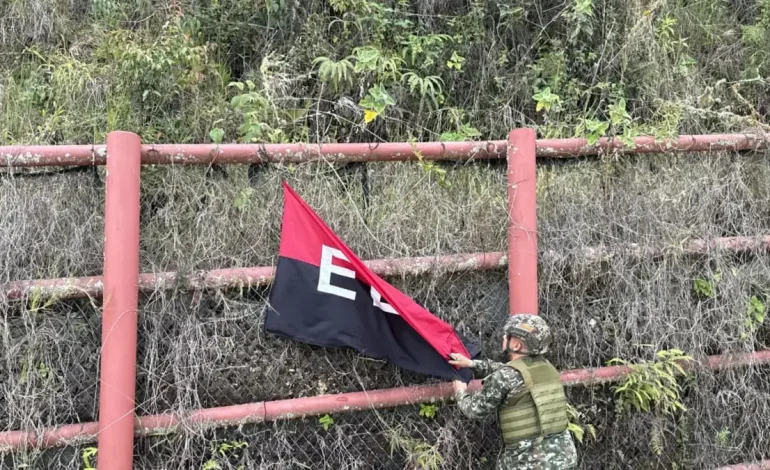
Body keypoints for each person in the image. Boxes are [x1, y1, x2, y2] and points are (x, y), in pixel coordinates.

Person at [449, 313, 577, 469]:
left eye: (507, 335)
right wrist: (472, 364)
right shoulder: (546, 367)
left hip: (528, 462)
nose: (503, 337)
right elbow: (511, 371)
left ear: (516, 345)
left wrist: (460, 392)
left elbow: (474, 410)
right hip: (563, 457)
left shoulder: (504, 377)